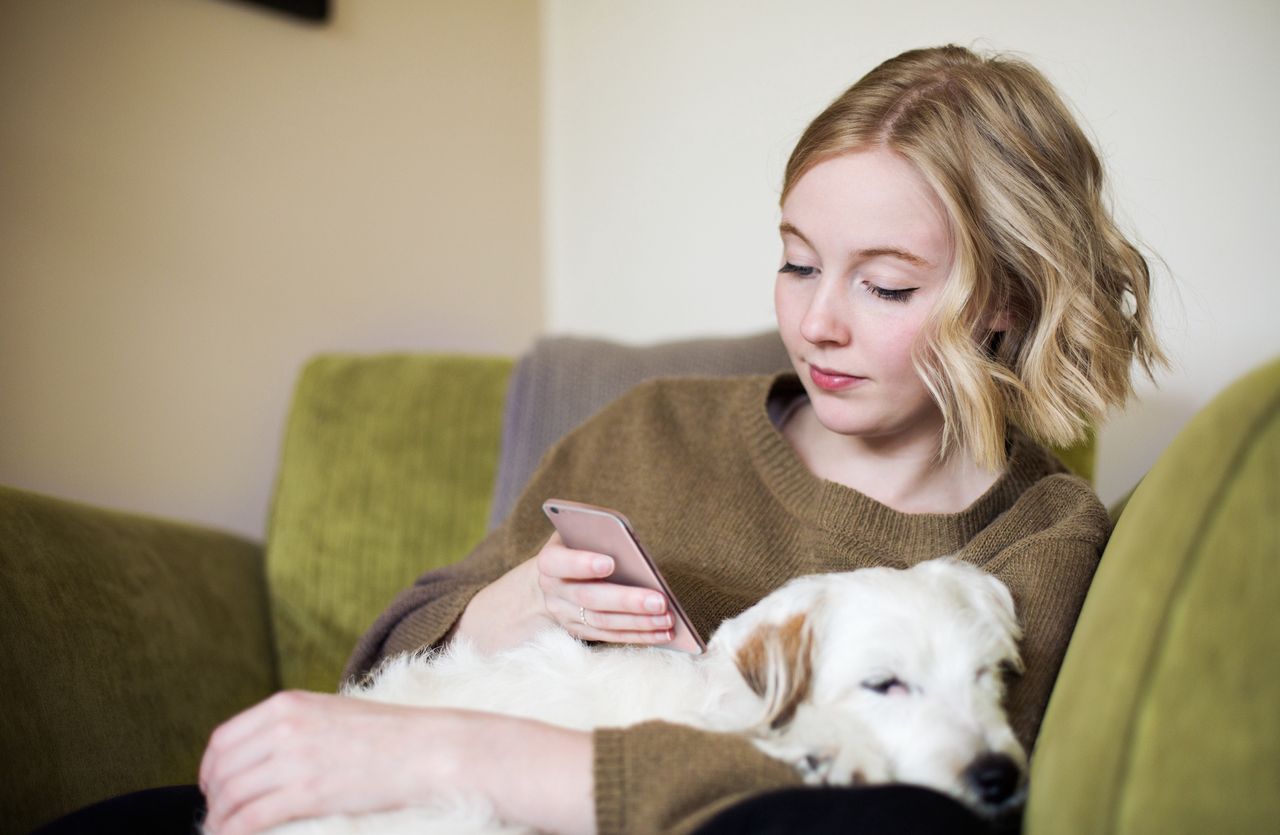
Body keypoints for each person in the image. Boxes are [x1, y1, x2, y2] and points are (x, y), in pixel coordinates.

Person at [195, 44, 1164, 835]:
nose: (816, 320)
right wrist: (510, 602)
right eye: (795, 262)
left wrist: (456, 752)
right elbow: (382, 670)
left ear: (1002, 299)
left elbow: (948, 800)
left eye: (884, 284)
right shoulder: (648, 429)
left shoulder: (1038, 534)